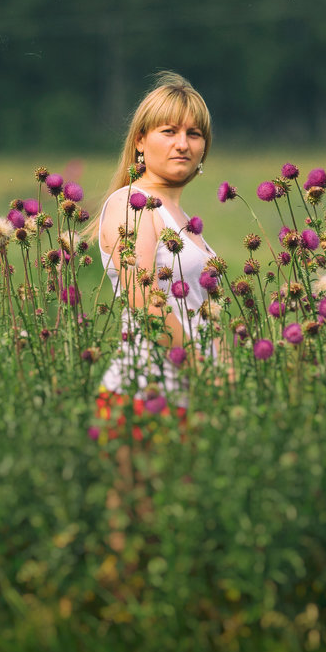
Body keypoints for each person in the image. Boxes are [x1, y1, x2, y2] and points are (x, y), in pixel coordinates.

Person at [86, 72, 218, 405]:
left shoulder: (185, 220)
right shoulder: (132, 203)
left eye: (194, 133)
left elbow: (206, 310)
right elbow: (142, 297)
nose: (183, 144)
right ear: (141, 141)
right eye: (169, 131)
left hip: (192, 394)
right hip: (144, 393)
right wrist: (199, 368)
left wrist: (226, 371)